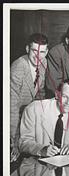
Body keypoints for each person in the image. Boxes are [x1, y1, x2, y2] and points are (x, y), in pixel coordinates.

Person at [11, 80, 69, 176]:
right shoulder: (35, 109)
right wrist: (42, 149)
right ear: (57, 94)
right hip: (37, 162)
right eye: (65, 97)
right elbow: (23, 143)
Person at [10, 33, 49, 163]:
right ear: (27, 49)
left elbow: (40, 92)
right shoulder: (18, 67)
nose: (38, 56)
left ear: (46, 51)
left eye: (42, 52)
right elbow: (11, 107)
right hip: (15, 118)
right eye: (34, 51)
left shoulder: (44, 63)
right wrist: (12, 140)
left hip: (28, 117)